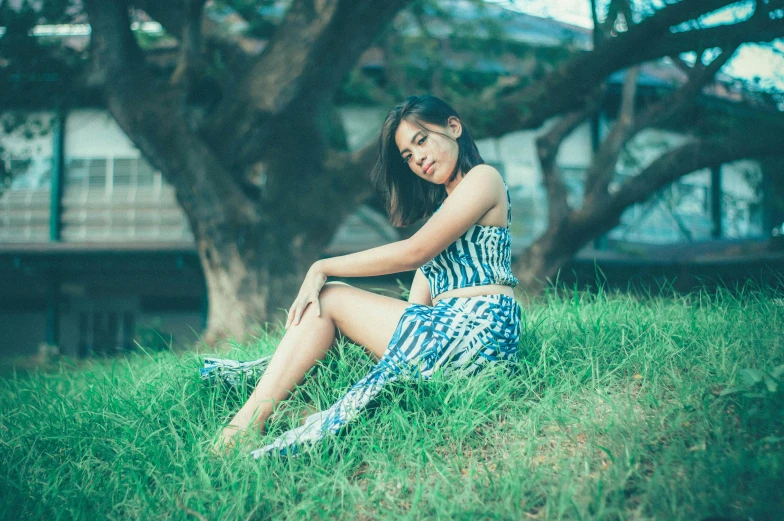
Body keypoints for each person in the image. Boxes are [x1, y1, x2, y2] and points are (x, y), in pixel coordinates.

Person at [208, 94, 522, 457]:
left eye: (421, 140)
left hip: (478, 331)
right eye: (407, 155)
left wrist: (322, 266)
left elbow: (413, 252)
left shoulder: (484, 178)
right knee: (340, 341)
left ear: (454, 127)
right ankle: (289, 409)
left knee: (330, 297)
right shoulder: (443, 211)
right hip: (453, 331)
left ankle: (242, 427)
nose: (418, 158)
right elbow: (415, 307)